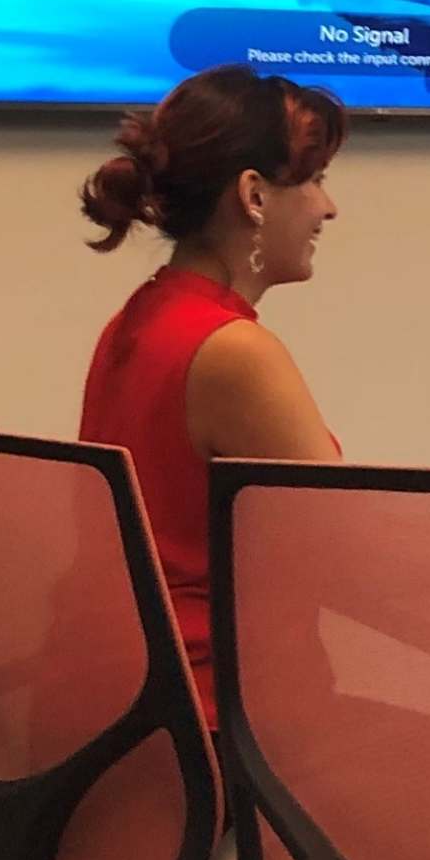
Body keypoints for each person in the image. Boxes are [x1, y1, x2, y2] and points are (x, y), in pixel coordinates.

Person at [76, 66, 348, 700]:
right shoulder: (234, 353)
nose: (328, 208)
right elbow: (351, 557)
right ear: (253, 196)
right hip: (232, 720)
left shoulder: (144, 316)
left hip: (140, 713)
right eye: (313, 181)